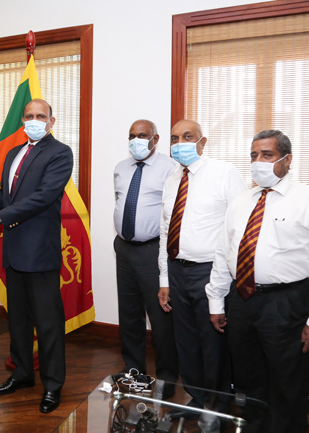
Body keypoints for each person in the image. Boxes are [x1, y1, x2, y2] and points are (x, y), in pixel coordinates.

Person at [206, 130, 309, 433]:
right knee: (248, 379)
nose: (258, 162)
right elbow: (223, 252)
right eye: (254, 155)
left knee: (287, 382)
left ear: (287, 159)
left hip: (286, 303)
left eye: (266, 155)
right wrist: (216, 300)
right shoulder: (241, 201)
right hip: (241, 302)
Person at [0, 99, 73, 414]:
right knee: (18, 320)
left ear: (51, 120)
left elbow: (44, 196)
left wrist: (0, 216)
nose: (34, 120)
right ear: (22, 120)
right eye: (29, 116)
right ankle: (22, 373)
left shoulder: (59, 153)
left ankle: (52, 385)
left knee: (47, 323)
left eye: (40, 116)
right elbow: (6, 195)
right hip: (14, 250)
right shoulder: (12, 153)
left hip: (40, 251)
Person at [157, 119, 246, 413]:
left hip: (211, 272)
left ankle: (219, 405)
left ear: (202, 142)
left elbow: (239, 229)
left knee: (212, 342)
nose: (179, 143)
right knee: (185, 341)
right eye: (174, 138)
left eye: (187, 136)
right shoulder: (172, 178)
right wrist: (164, 279)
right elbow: (165, 229)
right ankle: (196, 399)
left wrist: (223, 281)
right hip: (177, 270)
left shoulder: (224, 173)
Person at [113, 119, 179, 396]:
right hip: (124, 248)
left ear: (156, 138)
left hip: (154, 250)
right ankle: (133, 368)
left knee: (160, 318)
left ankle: (166, 376)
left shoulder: (171, 169)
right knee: (129, 314)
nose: (136, 140)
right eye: (132, 135)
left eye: (142, 135)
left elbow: (174, 213)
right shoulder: (120, 168)